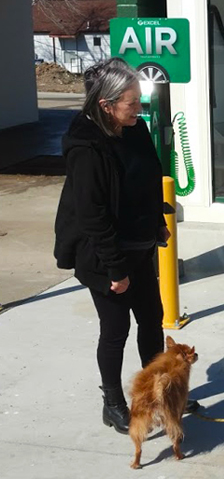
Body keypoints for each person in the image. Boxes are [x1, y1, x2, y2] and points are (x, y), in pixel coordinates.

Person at [54, 58, 170, 434]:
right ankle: (113, 403)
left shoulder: (133, 128)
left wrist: (157, 224)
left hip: (138, 247)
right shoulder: (86, 148)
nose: (139, 109)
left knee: (152, 320)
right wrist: (115, 270)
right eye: (131, 103)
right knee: (116, 328)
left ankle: (157, 394)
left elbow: (149, 180)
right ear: (106, 105)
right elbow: (92, 216)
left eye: (139, 100)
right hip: (102, 254)